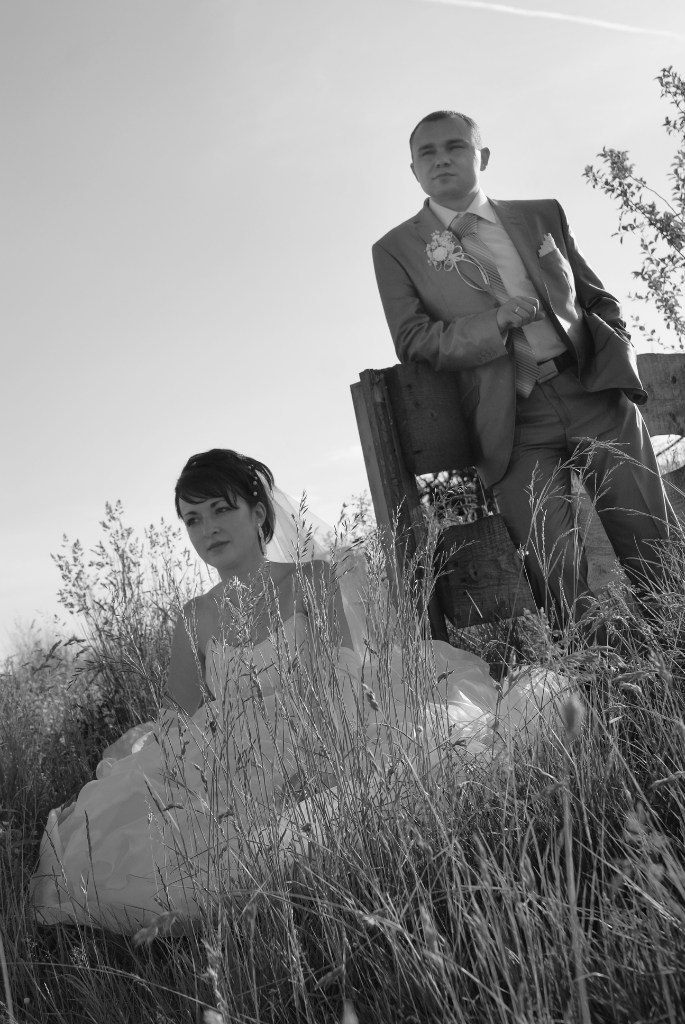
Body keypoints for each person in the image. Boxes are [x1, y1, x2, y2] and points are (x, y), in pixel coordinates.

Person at [30, 448, 561, 933]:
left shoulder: (311, 578)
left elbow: (342, 672)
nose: (207, 529)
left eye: (220, 509)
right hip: (236, 752)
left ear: (258, 512)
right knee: (121, 847)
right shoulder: (194, 616)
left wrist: (316, 756)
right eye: (192, 519)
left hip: (323, 723)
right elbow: (180, 720)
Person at [372, 110, 676, 627]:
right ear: (413, 169)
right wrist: (493, 323)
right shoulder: (395, 250)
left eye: (455, 146)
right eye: (427, 152)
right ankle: (596, 675)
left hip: (594, 396)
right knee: (559, 574)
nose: (441, 158)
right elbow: (414, 339)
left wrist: (616, 355)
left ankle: (674, 652)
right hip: (510, 422)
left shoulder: (541, 214)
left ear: (483, 156)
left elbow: (595, 296)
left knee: (653, 542)